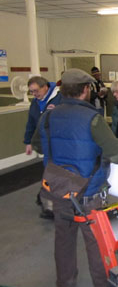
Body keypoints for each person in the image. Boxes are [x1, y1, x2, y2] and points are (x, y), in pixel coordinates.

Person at [31, 68, 118, 287]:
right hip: (89, 193)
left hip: (58, 191)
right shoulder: (93, 119)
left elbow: (38, 145)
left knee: (63, 240)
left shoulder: (48, 116)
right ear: (86, 90)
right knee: (96, 244)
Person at [24, 76, 62, 219]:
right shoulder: (35, 103)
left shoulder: (59, 99)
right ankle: (49, 204)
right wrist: (28, 142)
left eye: (36, 91)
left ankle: (52, 204)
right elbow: (31, 123)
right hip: (45, 144)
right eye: (31, 92)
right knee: (49, 172)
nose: (34, 94)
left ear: (45, 86)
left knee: (57, 173)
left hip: (58, 143)